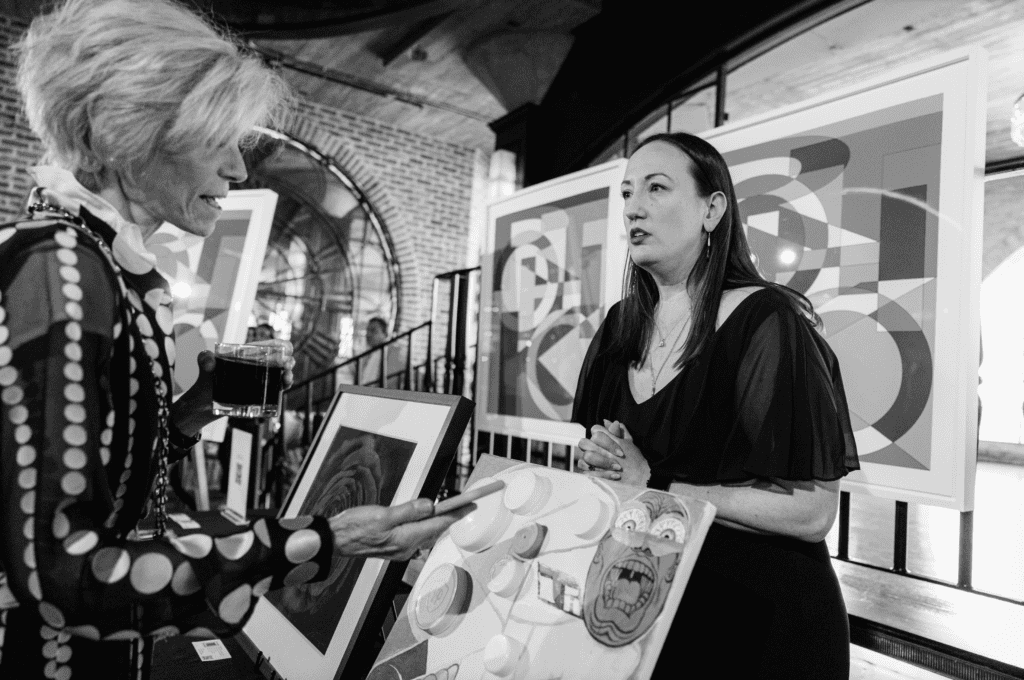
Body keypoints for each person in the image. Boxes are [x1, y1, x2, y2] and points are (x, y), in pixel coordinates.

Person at [0, 1, 471, 677]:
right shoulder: (59, 268)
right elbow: (65, 575)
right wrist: (316, 540)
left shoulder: (95, 263)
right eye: (217, 136)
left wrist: (189, 408)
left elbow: (120, 496)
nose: (238, 169)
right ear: (127, 133)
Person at [572, 132, 860, 678]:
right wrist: (600, 466)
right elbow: (608, 472)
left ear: (713, 209)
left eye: (657, 188)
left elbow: (812, 512)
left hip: (763, 624)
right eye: (627, 193)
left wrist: (657, 481)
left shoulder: (765, 321)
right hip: (652, 616)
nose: (634, 207)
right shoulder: (618, 326)